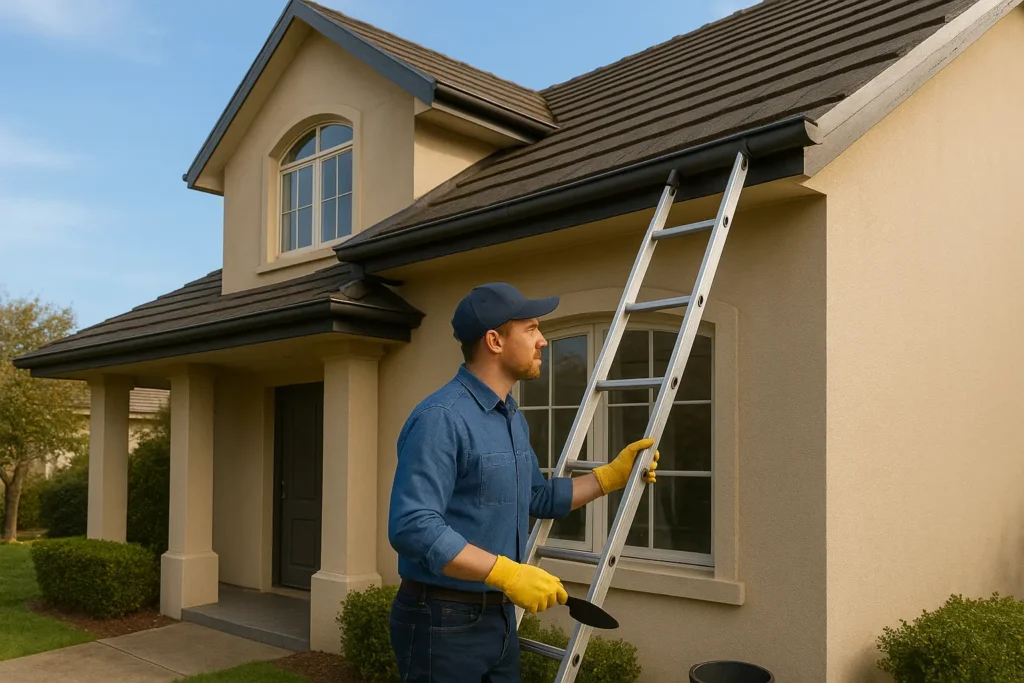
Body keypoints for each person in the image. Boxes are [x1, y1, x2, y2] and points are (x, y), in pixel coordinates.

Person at [387, 282, 659, 682]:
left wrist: (611, 476)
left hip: (498, 617)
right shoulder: (440, 418)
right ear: (495, 341)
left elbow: (538, 497)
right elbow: (412, 526)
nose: (543, 341)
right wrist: (508, 573)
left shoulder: (511, 417)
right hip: (440, 621)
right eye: (531, 329)